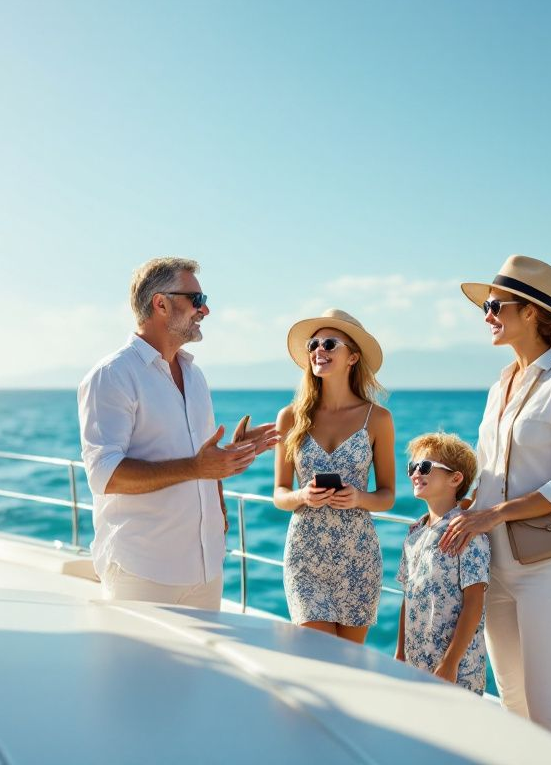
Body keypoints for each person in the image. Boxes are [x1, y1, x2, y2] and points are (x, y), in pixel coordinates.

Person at [439, 255, 551, 752]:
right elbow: (492, 473)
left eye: (495, 306)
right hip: (494, 565)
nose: (486, 316)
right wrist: (461, 506)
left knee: (549, 711)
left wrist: (497, 513)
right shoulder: (499, 385)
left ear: (530, 312)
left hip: (548, 567)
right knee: (511, 704)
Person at [78, 257, 279, 610]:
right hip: (143, 571)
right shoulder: (112, 375)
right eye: (197, 300)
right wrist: (197, 468)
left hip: (205, 568)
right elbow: (104, 475)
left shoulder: (194, 375)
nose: (206, 310)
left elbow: (200, 457)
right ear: (160, 303)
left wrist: (230, 457)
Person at [272, 309, 395, 644]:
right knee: (317, 656)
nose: (318, 350)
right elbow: (280, 493)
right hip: (305, 556)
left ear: (352, 356)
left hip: (358, 556)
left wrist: (359, 497)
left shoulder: (378, 419)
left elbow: (387, 495)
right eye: (313, 344)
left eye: (329, 343)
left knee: (348, 667)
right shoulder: (290, 417)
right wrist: (301, 496)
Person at [394, 432, 489, 694]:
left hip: (456, 668)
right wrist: (400, 652)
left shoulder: (467, 531)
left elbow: (474, 602)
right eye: (412, 467)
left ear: (455, 478)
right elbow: (408, 597)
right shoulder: (414, 532)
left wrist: (450, 663)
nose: (415, 473)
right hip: (416, 660)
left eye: (425, 467)